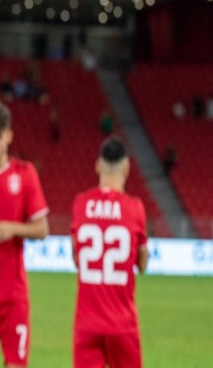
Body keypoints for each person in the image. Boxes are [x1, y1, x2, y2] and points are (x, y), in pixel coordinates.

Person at [0, 101, 50, 368]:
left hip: (13, 296)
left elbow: (42, 228)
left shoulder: (24, 174)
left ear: (9, 135)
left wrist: (10, 229)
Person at [70, 137, 148, 368]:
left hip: (87, 323)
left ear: (98, 165)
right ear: (126, 168)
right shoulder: (134, 208)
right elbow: (142, 264)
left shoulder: (80, 204)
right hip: (122, 324)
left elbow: (77, 259)